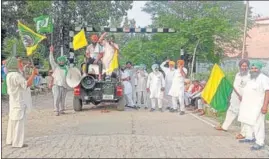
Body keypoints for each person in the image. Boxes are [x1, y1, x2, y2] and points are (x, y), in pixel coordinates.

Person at [5, 57, 37, 148]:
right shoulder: (16, 75)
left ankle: (10, 140)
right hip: (19, 101)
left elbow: (23, 77)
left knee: (12, 121)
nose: (21, 64)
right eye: (19, 63)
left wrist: (28, 72)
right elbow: (27, 84)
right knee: (19, 122)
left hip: (13, 101)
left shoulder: (9, 74)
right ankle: (18, 143)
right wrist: (33, 74)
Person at [215, 59, 250, 140]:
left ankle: (243, 133)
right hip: (235, 97)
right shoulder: (237, 74)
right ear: (240, 66)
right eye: (242, 66)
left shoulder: (250, 76)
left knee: (243, 115)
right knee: (231, 111)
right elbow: (235, 86)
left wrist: (243, 96)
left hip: (244, 98)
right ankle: (224, 127)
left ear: (248, 67)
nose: (244, 67)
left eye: (245, 66)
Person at [237, 60, 269, 151]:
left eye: (256, 68)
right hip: (247, 105)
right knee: (247, 121)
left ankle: (260, 142)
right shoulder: (250, 78)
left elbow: (267, 92)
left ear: (259, 69)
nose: (253, 70)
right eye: (252, 68)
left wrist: (265, 106)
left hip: (258, 106)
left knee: (258, 123)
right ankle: (250, 137)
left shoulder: (264, 78)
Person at [49, 45, 69, 116]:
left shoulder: (67, 68)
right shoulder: (55, 67)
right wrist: (51, 52)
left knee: (62, 98)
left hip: (64, 85)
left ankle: (61, 109)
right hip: (56, 84)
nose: (61, 62)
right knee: (56, 97)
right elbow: (51, 60)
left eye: (62, 61)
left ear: (64, 61)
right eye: (60, 61)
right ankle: (56, 110)